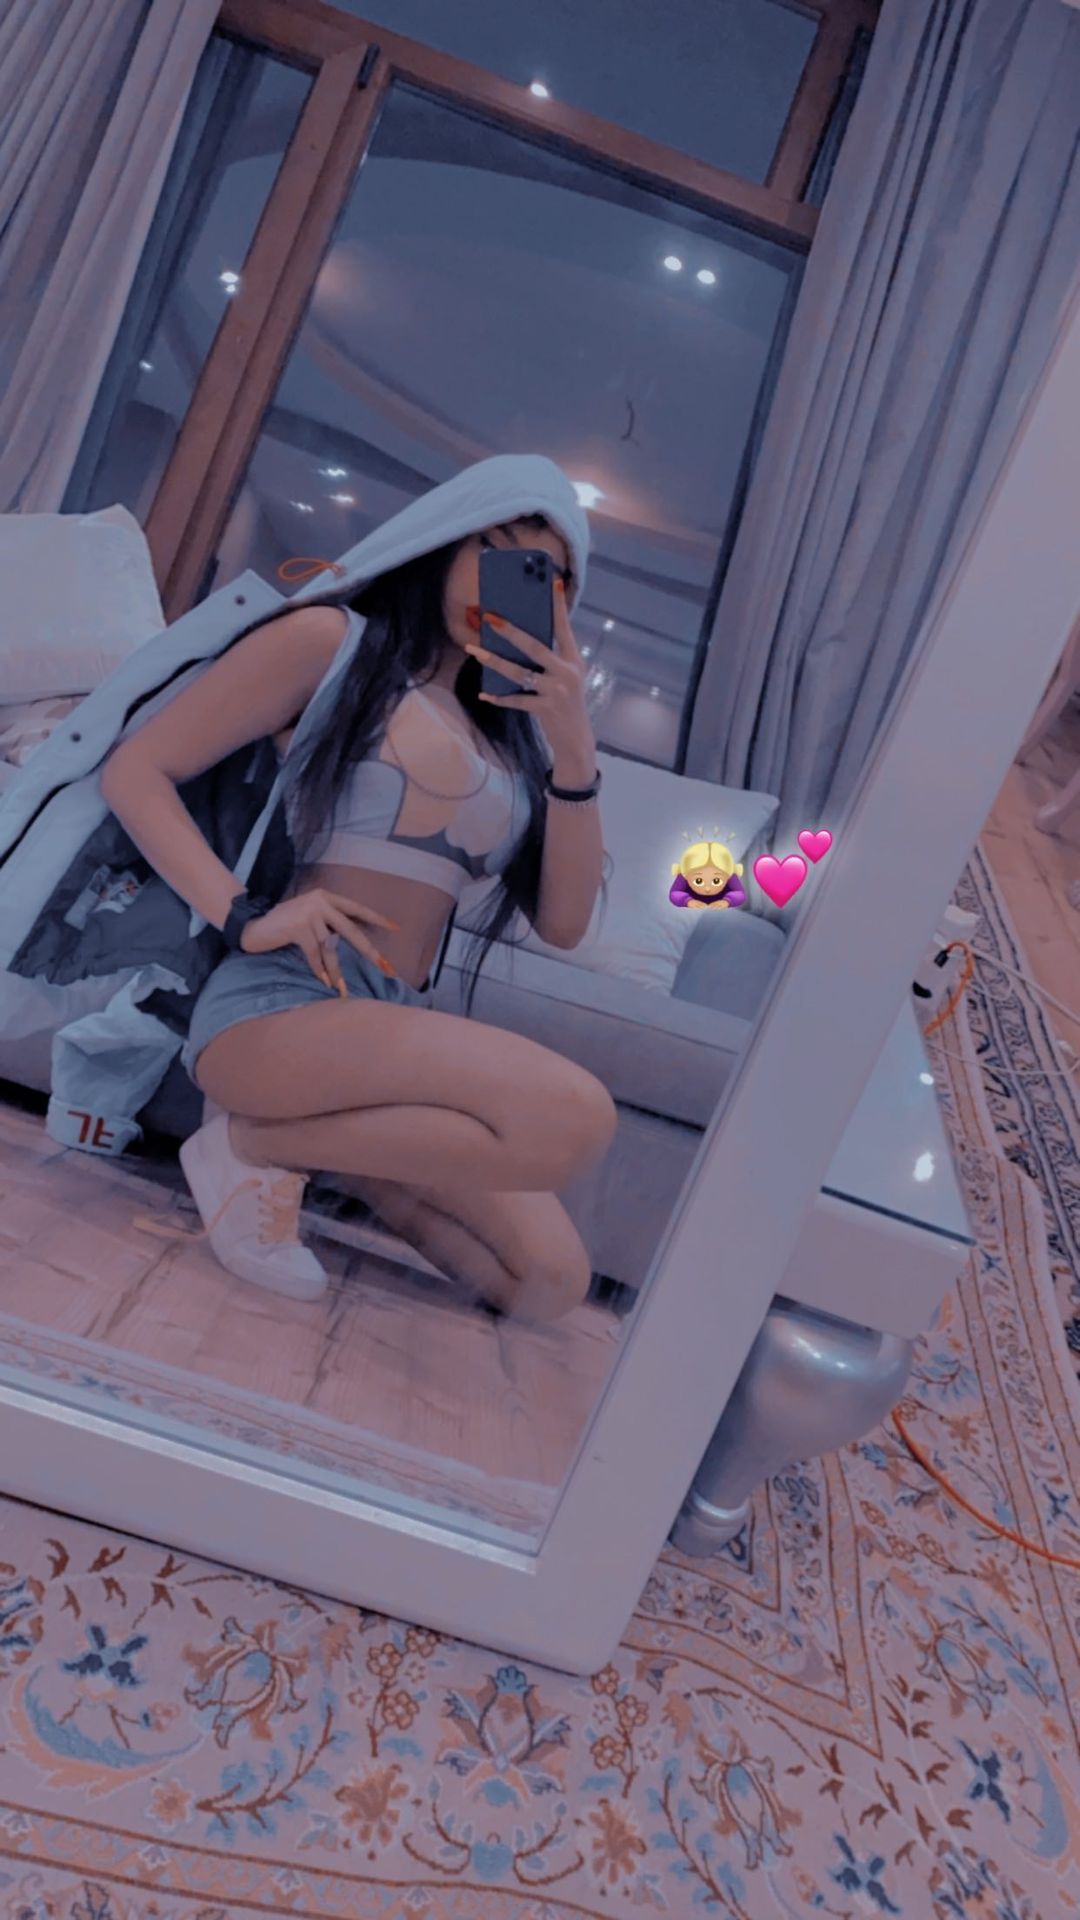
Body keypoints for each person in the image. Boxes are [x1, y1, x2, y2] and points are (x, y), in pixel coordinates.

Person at [99, 458, 617, 1320]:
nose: (508, 581)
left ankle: (280, 1149)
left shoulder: (517, 744)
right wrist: (242, 916)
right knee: (573, 1120)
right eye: (492, 548)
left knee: (549, 1284)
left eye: (546, 574)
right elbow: (137, 769)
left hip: (388, 1027)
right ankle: (254, 1148)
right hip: (285, 1003)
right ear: (443, 541)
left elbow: (564, 923)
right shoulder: (333, 646)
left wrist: (574, 745)